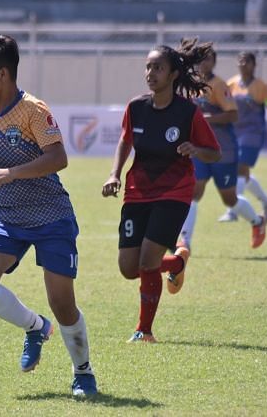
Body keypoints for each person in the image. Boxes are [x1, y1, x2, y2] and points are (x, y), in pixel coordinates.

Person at [0, 35, 97, 396]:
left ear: (3, 74)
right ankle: (35, 327)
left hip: (51, 217)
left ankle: (83, 371)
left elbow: (59, 158)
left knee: (62, 303)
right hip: (7, 217)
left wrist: (11, 173)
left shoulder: (34, 111)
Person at [102, 38, 221, 343]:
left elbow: (214, 153)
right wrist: (114, 174)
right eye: (148, 66)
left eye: (158, 67)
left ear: (172, 75)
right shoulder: (136, 107)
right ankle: (177, 262)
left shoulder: (187, 113)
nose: (151, 72)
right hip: (137, 191)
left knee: (146, 261)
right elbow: (125, 141)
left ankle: (145, 331)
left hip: (174, 193)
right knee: (129, 268)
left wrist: (195, 148)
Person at [178, 47, 266, 250]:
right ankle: (185, 243)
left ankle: (257, 222)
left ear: (214, 63)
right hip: (199, 151)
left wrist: (209, 119)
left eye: (209, 60)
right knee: (193, 193)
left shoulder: (219, 85)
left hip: (222, 152)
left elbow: (233, 115)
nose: (204, 64)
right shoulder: (190, 86)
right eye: (201, 60)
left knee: (230, 200)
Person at [218, 51, 267, 222]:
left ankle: (232, 211)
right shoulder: (230, 84)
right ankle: (266, 201)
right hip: (234, 133)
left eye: (247, 61)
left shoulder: (263, 87)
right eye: (240, 61)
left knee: (239, 168)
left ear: (254, 65)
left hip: (253, 133)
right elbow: (224, 106)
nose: (243, 64)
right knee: (242, 173)